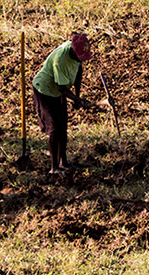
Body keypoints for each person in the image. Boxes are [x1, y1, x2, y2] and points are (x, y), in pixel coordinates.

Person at [32, 32, 97, 175]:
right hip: (45, 90)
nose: (80, 60)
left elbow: (78, 71)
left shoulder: (77, 55)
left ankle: (64, 162)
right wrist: (77, 100)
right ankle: (54, 167)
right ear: (72, 50)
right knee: (54, 128)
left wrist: (78, 97)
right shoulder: (60, 60)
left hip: (59, 91)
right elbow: (61, 87)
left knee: (63, 127)